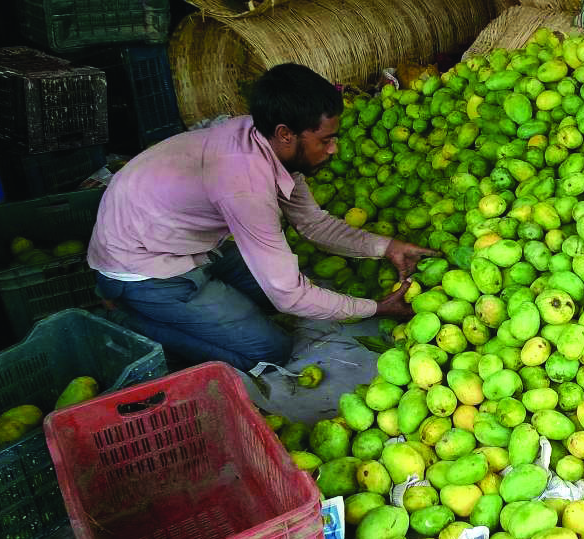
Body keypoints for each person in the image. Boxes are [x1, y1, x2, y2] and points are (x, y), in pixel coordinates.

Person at [88, 63, 434, 372]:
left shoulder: (268, 142)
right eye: (326, 140)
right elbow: (288, 295)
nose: (334, 149)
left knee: (288, 297)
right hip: (144, 265)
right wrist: (374, 309)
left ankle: (180, 303)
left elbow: (313, 223)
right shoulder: (244, 186)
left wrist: (387, 247)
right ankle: (124, 317)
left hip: (184, 241)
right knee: (269, 350)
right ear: (286, 133)